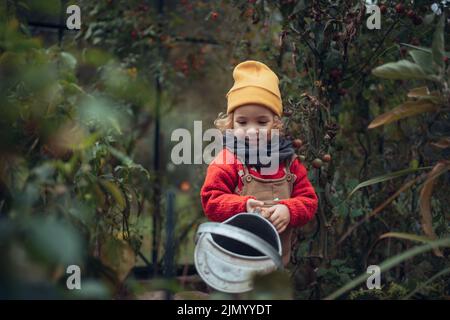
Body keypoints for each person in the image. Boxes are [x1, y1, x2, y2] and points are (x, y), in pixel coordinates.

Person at [200, 60, 318, 266]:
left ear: (276, 123)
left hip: (276, 265)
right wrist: (241, 205)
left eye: (262, 122)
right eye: (242, 122)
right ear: (230, 123)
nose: (252, 130)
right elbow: (211, 201)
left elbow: (309, 200)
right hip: (233, 263)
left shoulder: (288, 162)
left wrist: (289, 210)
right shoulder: (227, 161)